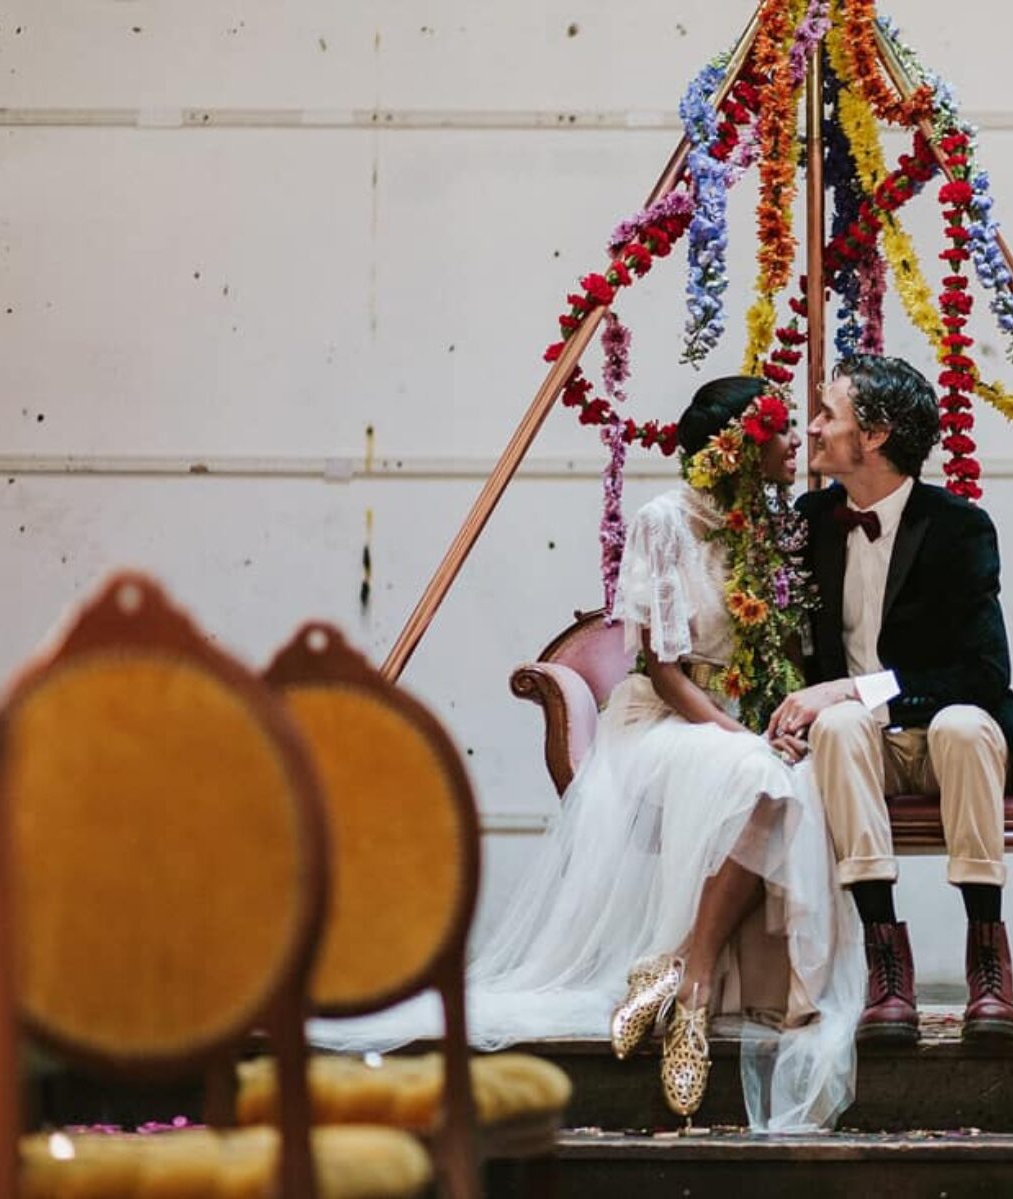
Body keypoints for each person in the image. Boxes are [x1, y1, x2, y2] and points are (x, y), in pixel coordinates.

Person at [313, 376, 863, 1133]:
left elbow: (782, 654)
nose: (793, 441)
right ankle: (697, 978)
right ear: (738, 443)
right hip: (660, 720)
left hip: (733, 721)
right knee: (761, 773)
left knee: (792, 772)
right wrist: (737, 734)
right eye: (778, 430)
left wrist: (782, 716)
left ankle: (672, 963)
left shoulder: (769, 528)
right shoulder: (661, 521)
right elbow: (665, 671)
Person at [767, 355, 1013, 1049]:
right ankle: (886, 964)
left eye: (828, 414)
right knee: (841, 724)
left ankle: (988, 960)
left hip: (945, 741)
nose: (812, 426)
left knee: (965, 726)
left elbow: (982, 673)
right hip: (857, 750)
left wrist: (853, 685)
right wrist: (792, 711)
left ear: (873, 435)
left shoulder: (959, 527)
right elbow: (791, 648)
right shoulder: (809, 520)